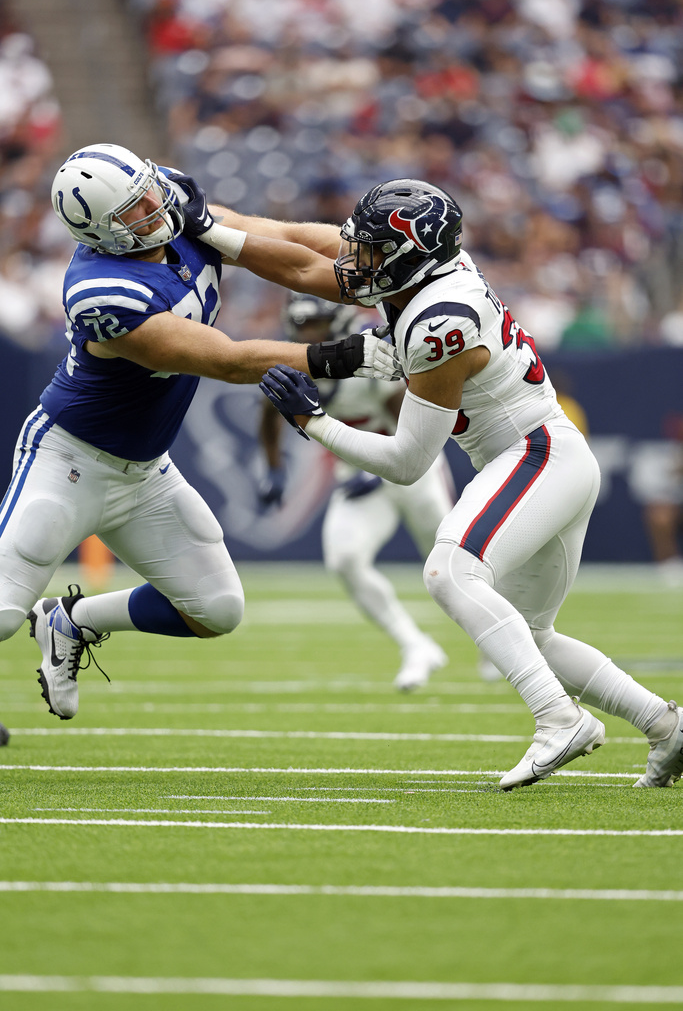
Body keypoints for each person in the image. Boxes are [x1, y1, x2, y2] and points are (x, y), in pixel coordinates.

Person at [191, 176, 683, 790]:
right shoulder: (426, 272)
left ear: (408, 253)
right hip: (547, 457)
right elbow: (296, 248)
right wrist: (205, 221)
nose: (354, 261)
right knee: (530, 636)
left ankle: (559, 718)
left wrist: (311, 423)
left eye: (370, 250)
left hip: (535, 455)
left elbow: (406, 462)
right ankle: (666, 727)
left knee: (449, 570)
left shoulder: (438, 323)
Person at [0, 143, 398, 721]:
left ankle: (70, 621)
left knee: (215, 609)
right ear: (101, 234)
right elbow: (228, 361)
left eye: (148, 194)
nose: (154, 210)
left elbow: (279, 240)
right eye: (134, 212)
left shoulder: (172, 204)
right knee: (3, 613)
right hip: (70, 461)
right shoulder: (102, 292)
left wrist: (381, 257)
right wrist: (340, 355)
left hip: (145, 471)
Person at [260, 291, 454, 691]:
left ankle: (500, 646)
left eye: (316, 325)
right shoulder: (295, 359)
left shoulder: (368, 352)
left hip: (412, 466)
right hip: (359, 476)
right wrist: (273, 468)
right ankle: (414, 645)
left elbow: (411, 427)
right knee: (345, 558)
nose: (309, 335)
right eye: (302, 327)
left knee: (449, 561)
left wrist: (382, 466)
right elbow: (269, 409)